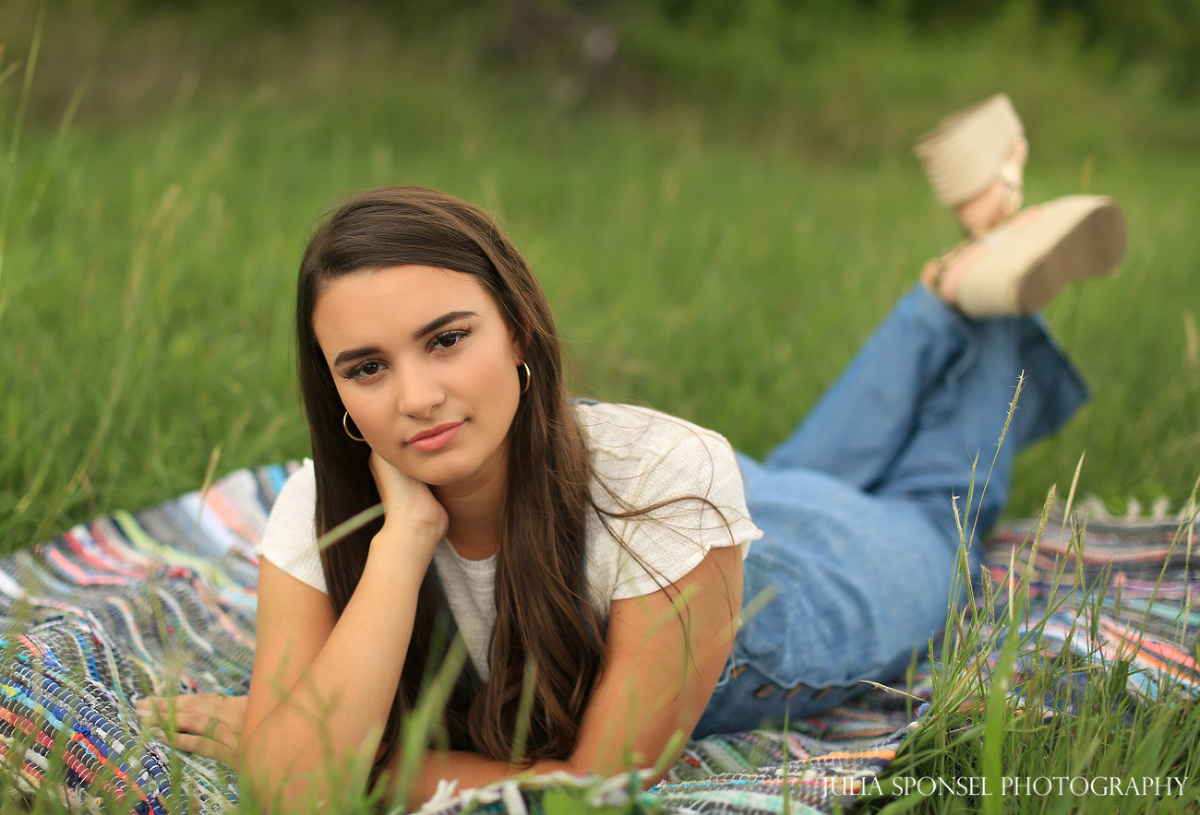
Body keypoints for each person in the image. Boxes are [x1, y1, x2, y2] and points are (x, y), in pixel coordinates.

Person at [137, 95, 1126, 811]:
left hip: (788, 606)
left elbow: (596, 787)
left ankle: (979, 292)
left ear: (521, 328)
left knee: (926, 511)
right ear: (334, 389)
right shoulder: (324, 507)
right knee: (792, 468)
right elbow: (290, 795)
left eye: (447, 339)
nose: (417, 397)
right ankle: (955, 278)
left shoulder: (662, 476)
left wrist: (357, 758)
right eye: (366, 366)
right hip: (703, 531)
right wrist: (405, 536)